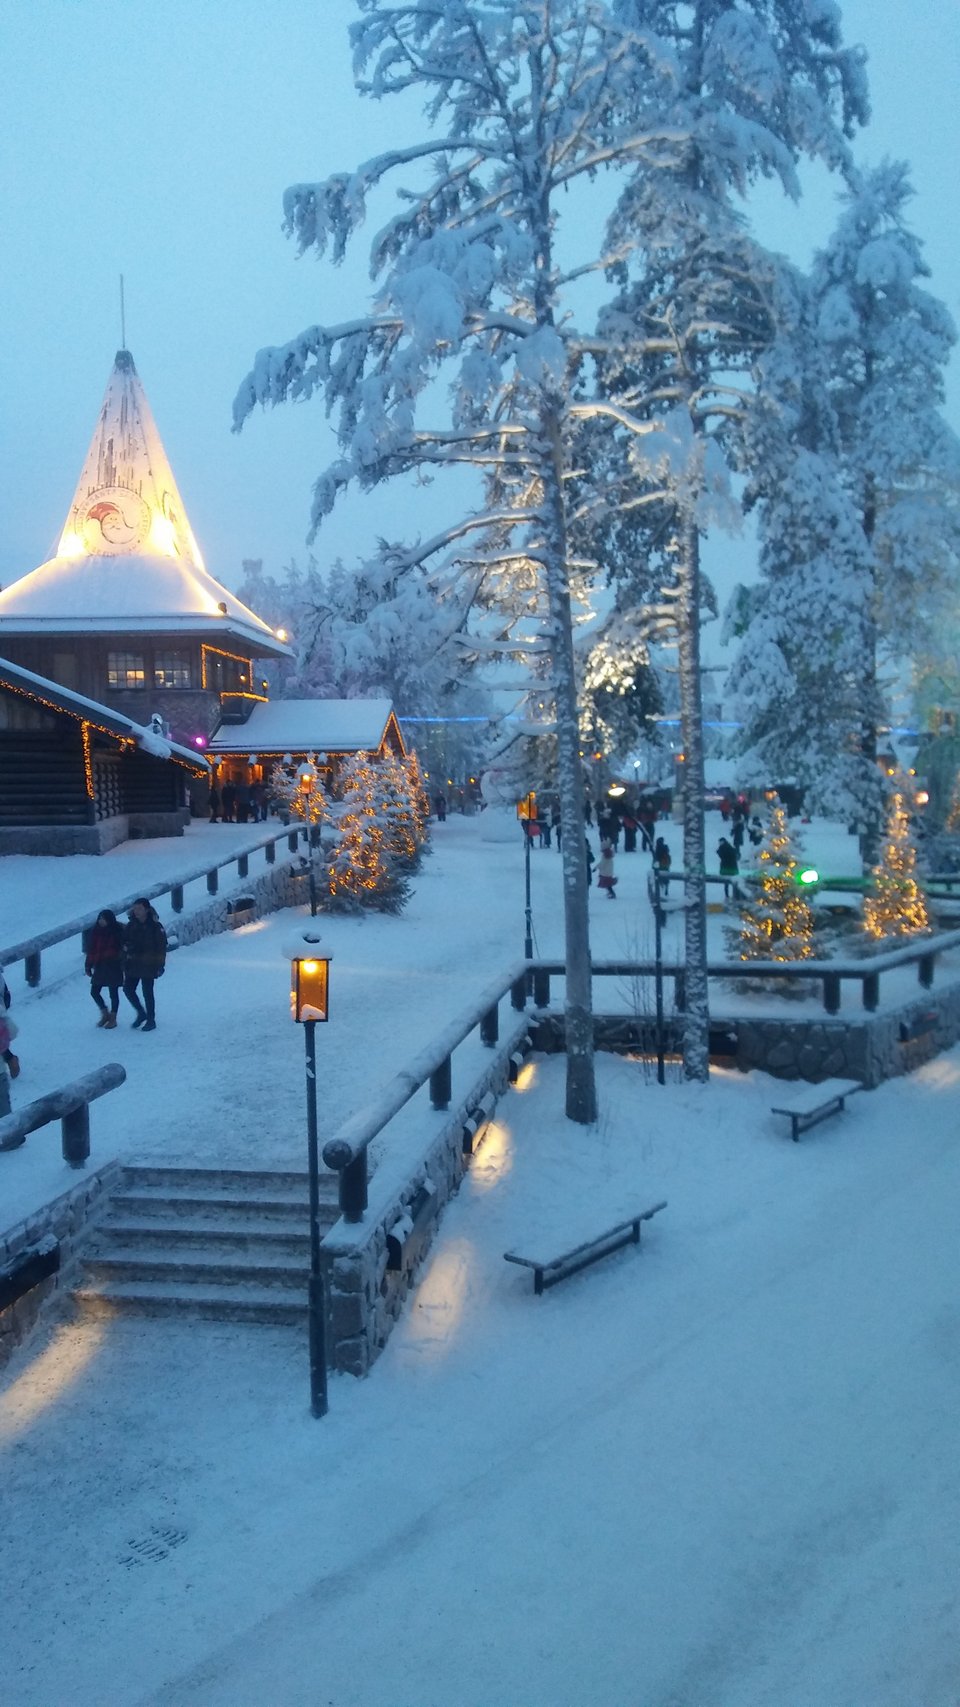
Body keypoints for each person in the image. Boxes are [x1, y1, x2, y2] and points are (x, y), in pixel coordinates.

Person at [123, 899, 167, 1032]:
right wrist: (127, 948)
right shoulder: (131, 925)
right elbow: (124, 940)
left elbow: (161, 947)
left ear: (146, 909)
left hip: (149, 963)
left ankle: (151, 1019)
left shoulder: (155, 926)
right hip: (133, 962)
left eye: (139, 909)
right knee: (128, 989)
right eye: (135, 909)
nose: (136, 912)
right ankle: (141, 1013)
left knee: (147, 992)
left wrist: (160, 964)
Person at [85, 909, 124, 1028]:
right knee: (94, 992)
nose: (101, 921)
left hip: (113, 965)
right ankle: (104, 1013)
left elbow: (119, 949)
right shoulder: (96, 932)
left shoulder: (116, 932)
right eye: (100, 919)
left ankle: (113, 1017)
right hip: (100, 965)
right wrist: (88, 964)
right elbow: (91, 949)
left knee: (113, 992)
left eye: (103, 919)